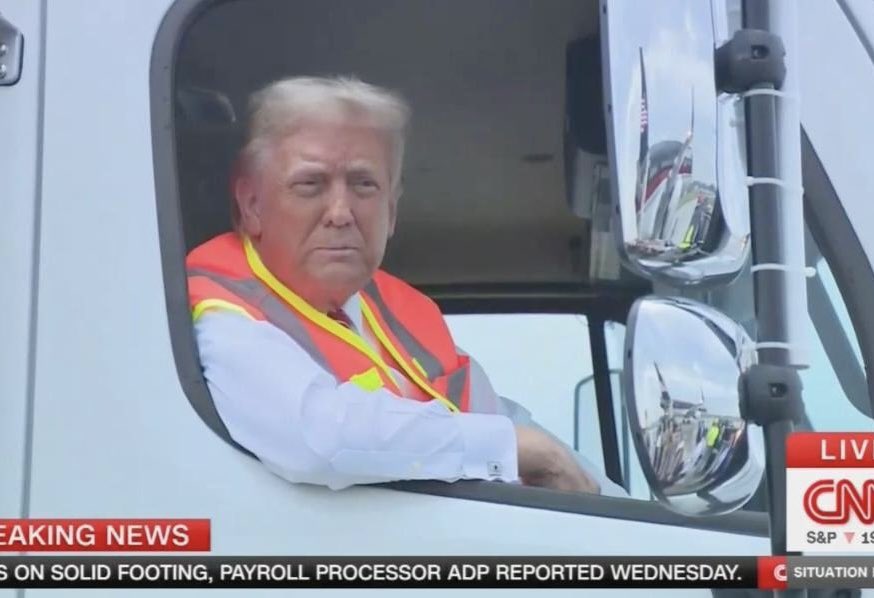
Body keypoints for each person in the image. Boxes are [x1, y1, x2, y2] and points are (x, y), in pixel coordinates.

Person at [187, 76, 625, 496]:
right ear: (251, 205)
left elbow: (506, 420)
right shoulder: (221, 307)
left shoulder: (400, 313)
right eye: (310, 184)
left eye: (363, 184)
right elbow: (318, 437)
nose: (340, 211)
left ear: (392, 212)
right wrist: (511, 449)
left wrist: (617, 514)